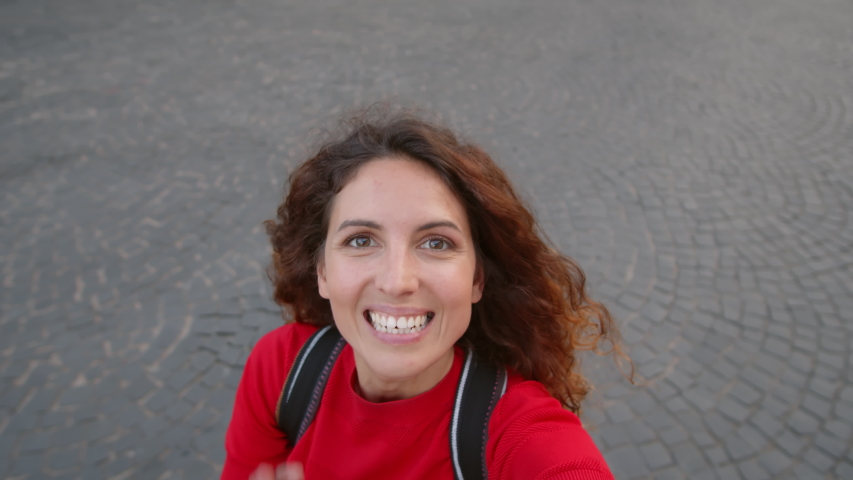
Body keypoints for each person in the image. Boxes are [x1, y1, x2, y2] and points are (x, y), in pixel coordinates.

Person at [223, 107, 630, 479]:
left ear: (477, 279)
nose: (398, 281)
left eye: (436, 243)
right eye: (362, 240)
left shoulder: (520, 437)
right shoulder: (281, 369)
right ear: (322, 271)